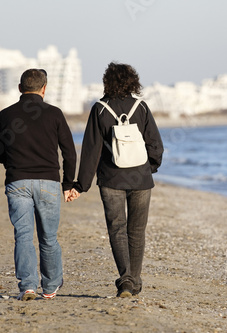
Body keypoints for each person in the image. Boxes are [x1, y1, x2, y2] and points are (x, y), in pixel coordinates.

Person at [74, 62, 164, 298]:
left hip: (111, 177)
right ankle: (133, 280)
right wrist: (150, 167)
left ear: (107, 82)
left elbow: (91, 150)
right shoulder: (141, 107)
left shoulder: (100, 109)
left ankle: (126, 280)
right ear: (133, 81)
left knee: (117, 229)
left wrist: (81, 185)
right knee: (137, 231)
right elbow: (155, 144)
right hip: (141, 178)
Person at [0, 68, 78, 301]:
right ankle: (49, 288)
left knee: (23, 236)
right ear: (44, 88)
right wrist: (69, 184)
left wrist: (13, 164)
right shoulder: (55, 114)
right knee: (48, 237)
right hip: (48, 182)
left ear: (20, 88)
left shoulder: (6, 115)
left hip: (17, 181)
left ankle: (28, 286)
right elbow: (69, 152)